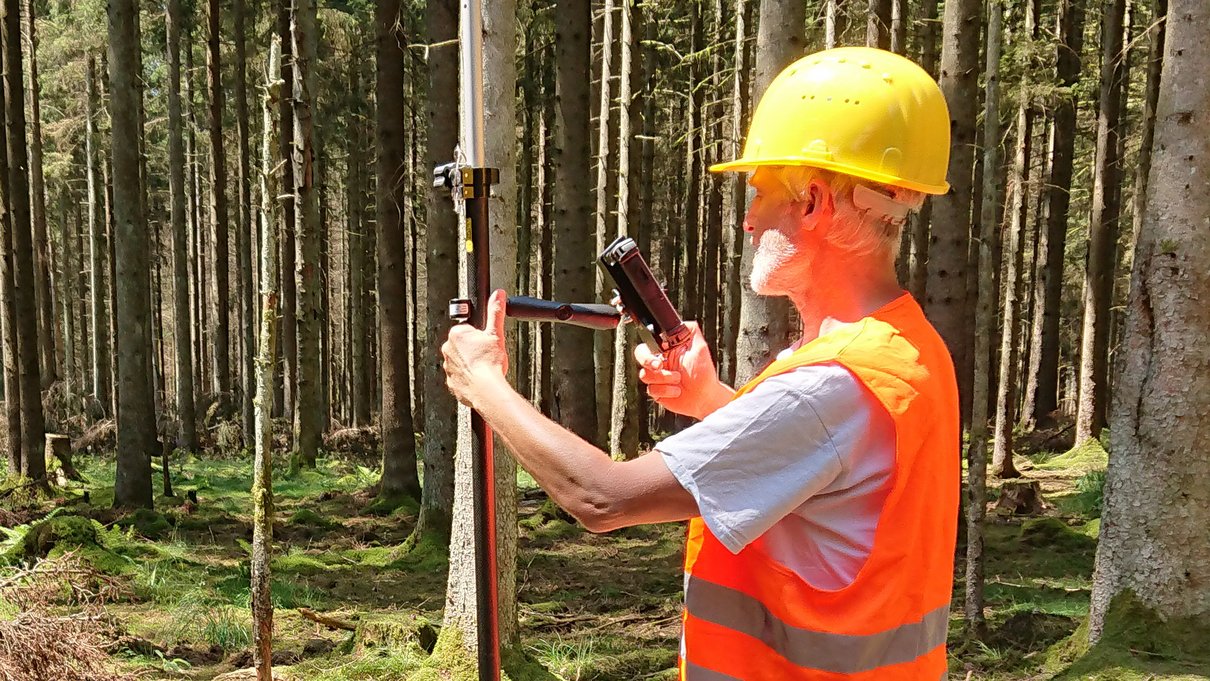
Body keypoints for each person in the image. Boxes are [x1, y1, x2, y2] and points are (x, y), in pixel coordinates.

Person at [442, 46, 959, 680]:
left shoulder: (830, 385)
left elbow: (602, 498)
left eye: (762, 192)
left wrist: (483, 381)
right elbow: (827, 474)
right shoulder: (904, 348)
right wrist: (712, 400)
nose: (746, 221)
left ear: (813, 204)